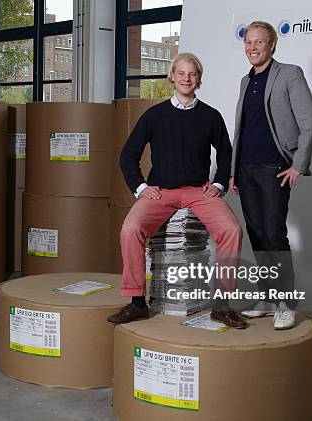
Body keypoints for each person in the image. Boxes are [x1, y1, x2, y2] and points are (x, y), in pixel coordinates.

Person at [107, 52, 246, 328]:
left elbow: (228, 154)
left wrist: (218, 184)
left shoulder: (210, 116)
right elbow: (128, 156)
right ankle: (136, 302)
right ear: (171, 76)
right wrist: (141, 187)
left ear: (199, 80)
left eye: (192, 74)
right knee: (130, 229)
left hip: (199, 190)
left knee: (232, 230)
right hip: (161, 192)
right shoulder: (154, 115)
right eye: (181, 73)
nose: (186, 78)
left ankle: (222, 304)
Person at [230, 21, 312, 329]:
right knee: (257, 237)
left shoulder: (290, 74)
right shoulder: (246, 80)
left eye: (258, 42)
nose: (252, 47)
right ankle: (267, 298)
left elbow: (310, 121)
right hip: (245, 170)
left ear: (272, 45)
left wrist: (299, 164)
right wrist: (232, 172)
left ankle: (286, 303)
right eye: (248, 43)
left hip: (274, 169)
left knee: (273, 235)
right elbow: (241, 128)